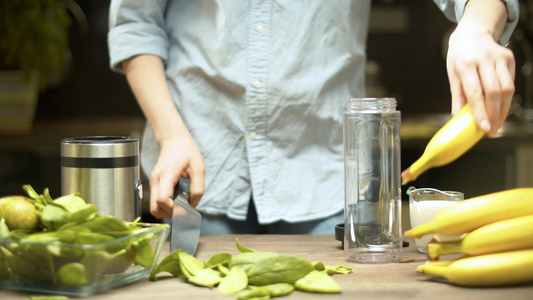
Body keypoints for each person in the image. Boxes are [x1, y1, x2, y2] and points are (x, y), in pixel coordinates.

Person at [108, 0, 518, 234]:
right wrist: (170, 135)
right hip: (194, 165)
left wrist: (477, 28)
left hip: (324, 180)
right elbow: (135, 23)